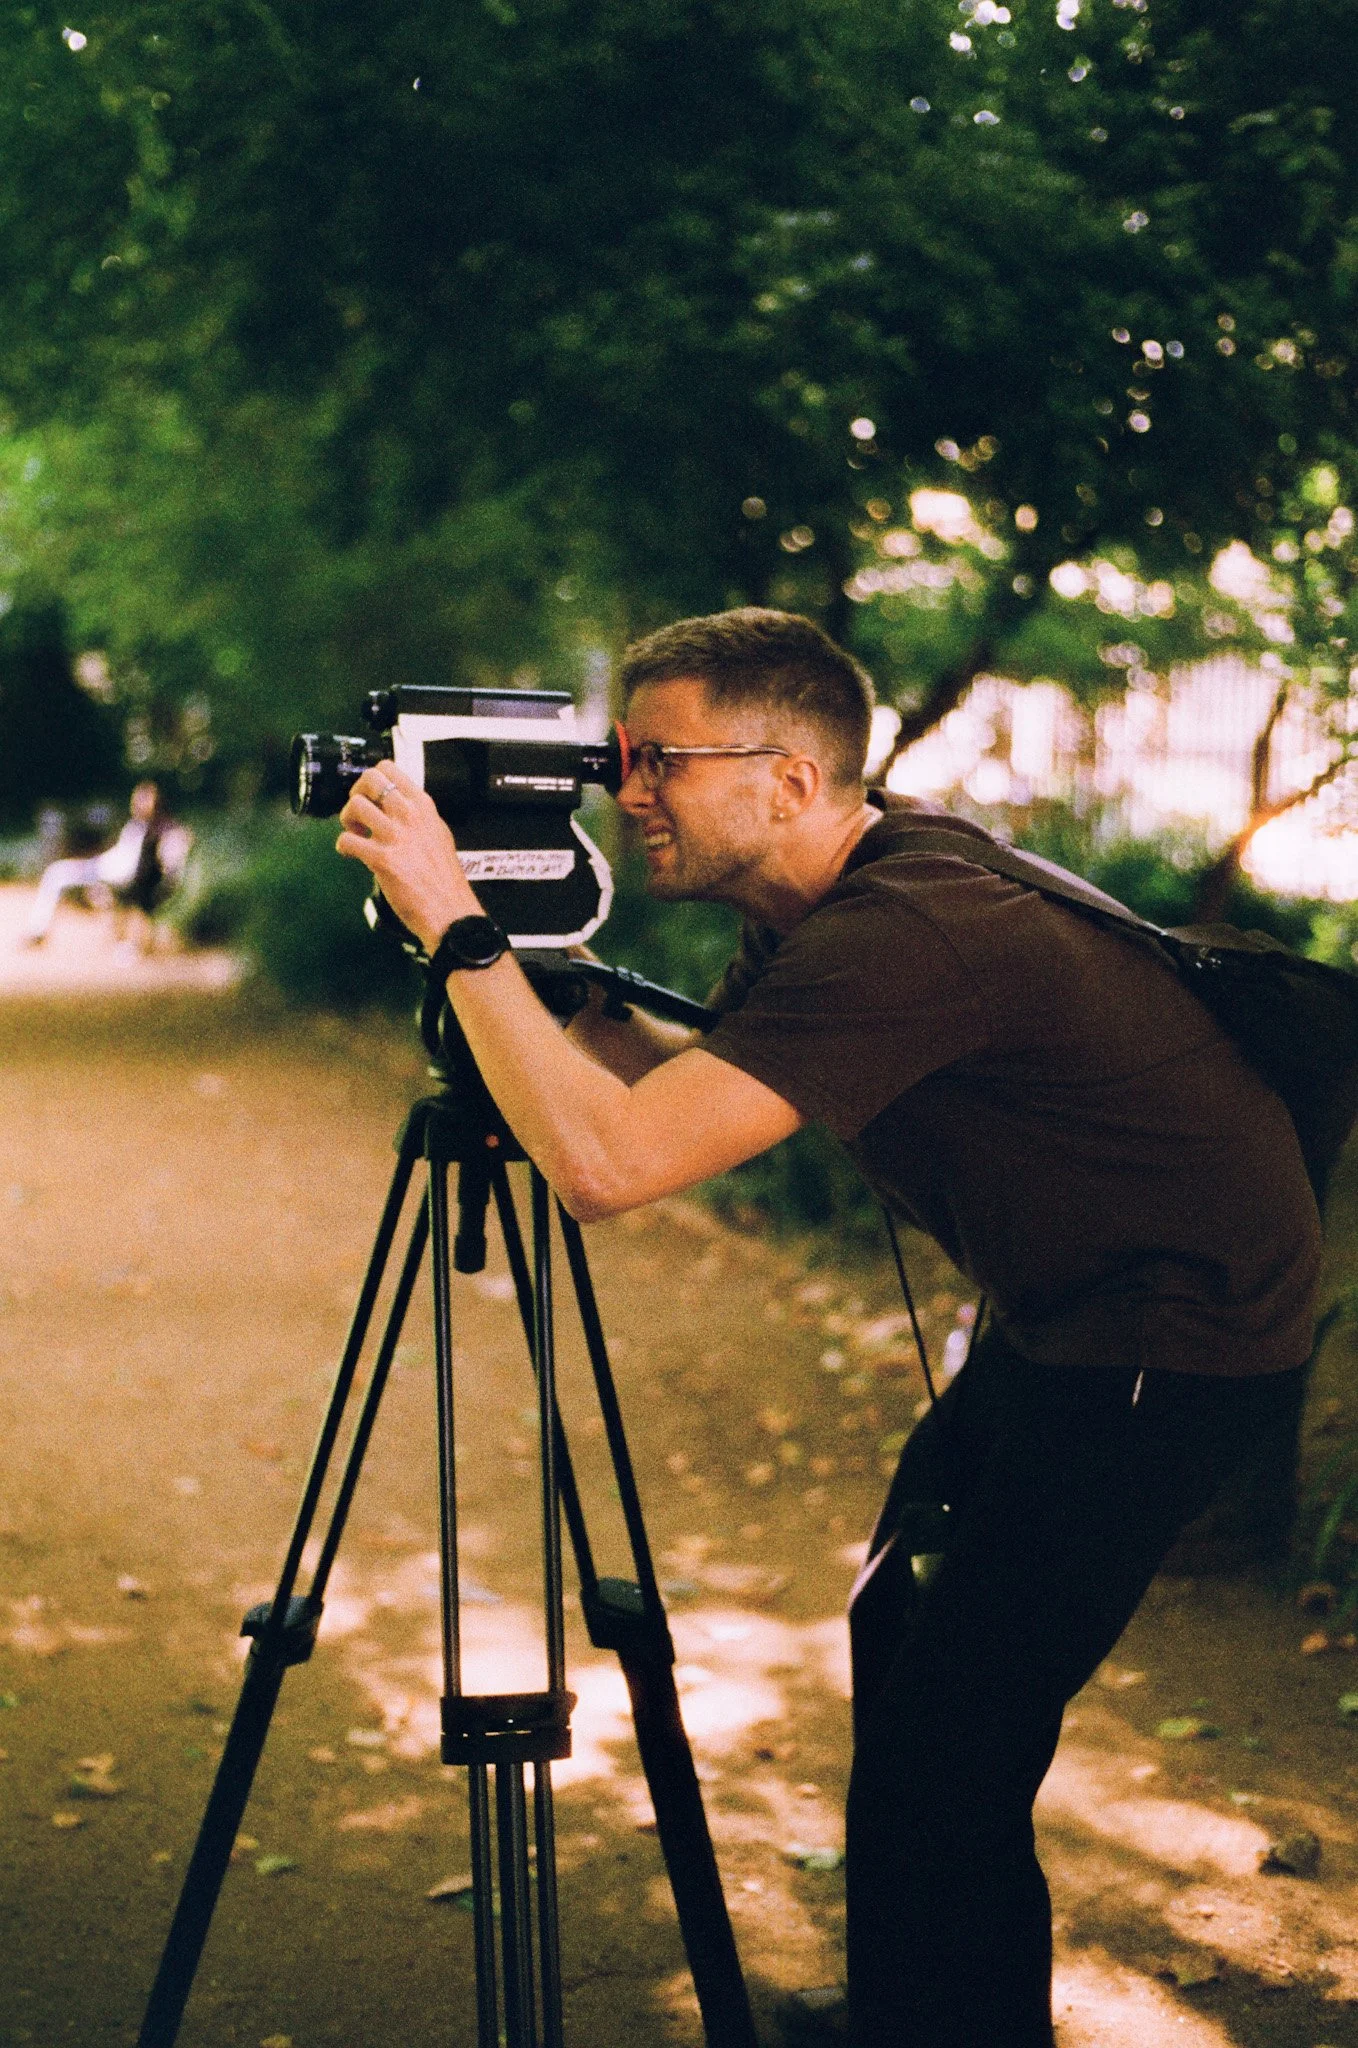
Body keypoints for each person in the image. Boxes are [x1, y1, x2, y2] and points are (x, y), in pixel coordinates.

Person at [334, 608, 1321, 2048]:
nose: (626, 791)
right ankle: (927, 2008)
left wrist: (461, 927)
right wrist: (543, 992)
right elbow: (676, 1093)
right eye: (622, 758)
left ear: (790, 781)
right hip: (1071, 1322)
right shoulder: (824, 903)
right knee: (904, 1631)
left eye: (658, 759)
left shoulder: (909, 930)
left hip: (1169, 1345)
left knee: (953, 1740)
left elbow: (606, 1167)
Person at [22, 781, 180, 947]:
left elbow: (150, 864)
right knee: (56, 872)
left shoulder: (159, 830)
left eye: (144, 798)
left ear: (157, 802)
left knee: (56, 873)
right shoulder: (135, 825)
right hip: (101, 867)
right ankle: (37, 931)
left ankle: (37, 931)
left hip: (115, 875)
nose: (137, 802)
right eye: (137, 797)